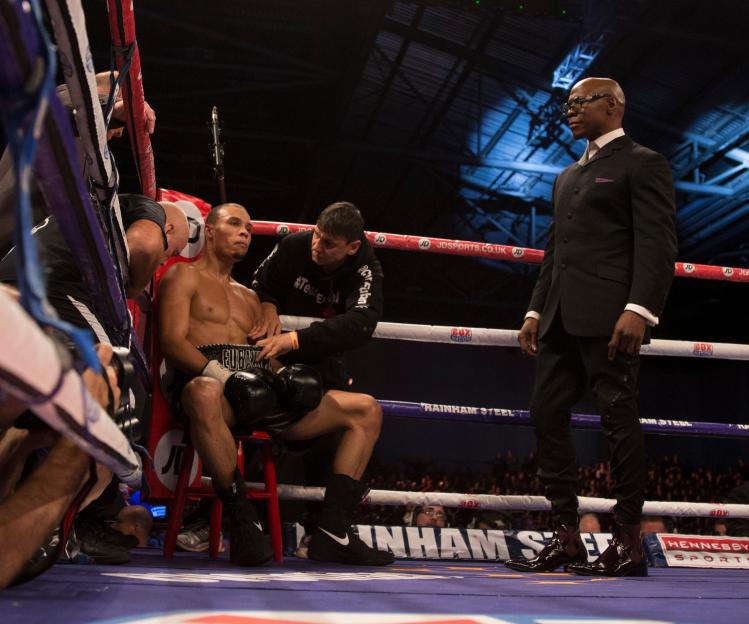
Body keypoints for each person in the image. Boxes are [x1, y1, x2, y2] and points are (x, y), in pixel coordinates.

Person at [504, 77, 678, 578]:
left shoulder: (643, 162)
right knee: (545, 412)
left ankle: (626, 541)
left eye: (581, 102)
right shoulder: (565, 176)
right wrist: (535, 311)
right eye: (568, 103)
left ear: (614, 105)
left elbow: (658, 243)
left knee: (618, 419)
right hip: (559, 316)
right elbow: (555, 251)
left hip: (611, 317)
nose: (570, 110)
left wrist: (640, 309)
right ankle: (566, 536)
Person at [158, 202, 393, 567]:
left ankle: (333, 532)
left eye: (249, 228)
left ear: (350, 247)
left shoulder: (249, 297)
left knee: (365, 409)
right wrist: (222, 376)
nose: (244, 233)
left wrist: (285, 375)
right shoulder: (182, 277)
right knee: (202, 392)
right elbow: (172, 343)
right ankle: (241, 523)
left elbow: (265, 352)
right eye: (235, 224)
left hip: (254, 391)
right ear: (209, 228)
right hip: (212, 389)